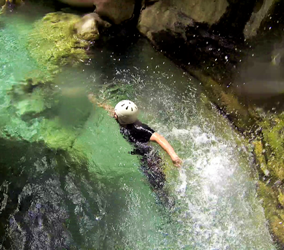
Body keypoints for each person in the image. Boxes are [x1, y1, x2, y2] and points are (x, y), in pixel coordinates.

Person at [88, 94, 182, 189]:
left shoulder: (139, 128)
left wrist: (173, 156)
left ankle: (167, 198)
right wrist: (97, 102)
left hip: (149, 156)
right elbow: (110, 110)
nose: (114, 114)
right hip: (140, 152)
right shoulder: (124, 118)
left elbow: (159, 138)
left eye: (115, 114)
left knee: (157, 184)